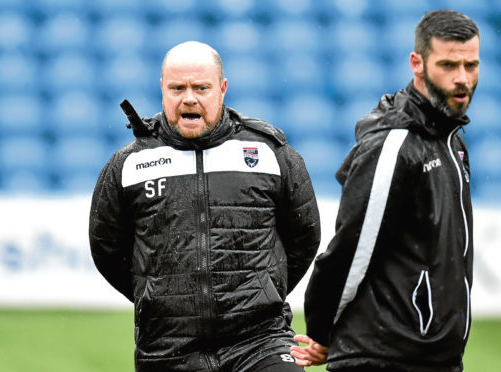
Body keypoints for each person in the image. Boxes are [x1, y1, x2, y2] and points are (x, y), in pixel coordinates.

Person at [89, 41, 321, 372]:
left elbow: (304, 236)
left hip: (260, 343)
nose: (189, 98)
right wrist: (159, 297)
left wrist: (264, 288)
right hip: (168, 349)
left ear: (222, 89)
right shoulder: (128, 164)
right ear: (162, 89)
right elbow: (107, 250)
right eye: (177, 88)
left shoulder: (271, 154)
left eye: (201, 88)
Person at [290, 9, 479, 372]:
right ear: (417, 63)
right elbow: (350, 251)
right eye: (449, 65)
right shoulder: (395, 145)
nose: (462, 79)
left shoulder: (450, 141)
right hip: (382, 356)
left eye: (471, 65)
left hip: (434, 359)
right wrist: (322, 331)